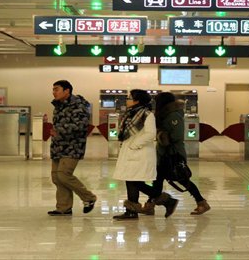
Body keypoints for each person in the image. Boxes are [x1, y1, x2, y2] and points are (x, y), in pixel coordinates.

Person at [112, 89, 178, 220]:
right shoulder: (130, 114)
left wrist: (135, 144)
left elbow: (150, 133)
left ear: (137, 100)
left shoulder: (147, 115)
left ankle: (166, 200)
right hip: (131, 152)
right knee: (131, 180)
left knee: (135, 182)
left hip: (140, 152)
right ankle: (132, 210)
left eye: (130, 98)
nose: (127, 100)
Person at [144, 92, 211, 216]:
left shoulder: (174, 115)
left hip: (173, 154)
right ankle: (150, 205)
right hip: (163, 154)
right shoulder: (163, 115)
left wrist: (160, 134)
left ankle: (201, 202)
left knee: (182, 179)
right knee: (157, 180)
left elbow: (177, 135)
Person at [48, 80, 96, 216]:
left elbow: (81, 125)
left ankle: (89, 197)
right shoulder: (58, 105)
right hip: (58, 146)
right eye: (53, 89)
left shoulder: (79, 105)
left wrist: (59, 130)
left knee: (64, 175)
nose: (54, 92)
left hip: (73, 146)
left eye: (57, 89)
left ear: (67, 91)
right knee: (56, 177)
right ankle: (64, 208)